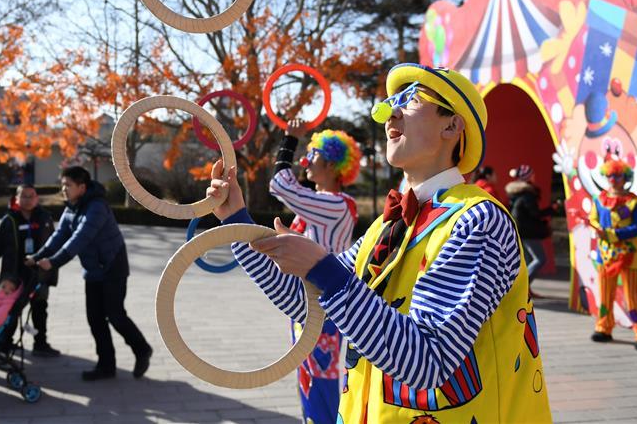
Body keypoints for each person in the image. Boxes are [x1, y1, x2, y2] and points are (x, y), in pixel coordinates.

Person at [206, 63, 551, 422]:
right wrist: (236, 221)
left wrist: (323, 268)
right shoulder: (387, 226)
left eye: (411, 100)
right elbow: (305, 304)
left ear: (451, 125)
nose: (391, 112)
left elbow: (428, 360)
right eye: (391, 101)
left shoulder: (478, 221)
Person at [270, 119, 361, 423]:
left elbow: (281, 185)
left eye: (315, 155)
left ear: (335, 166)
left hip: (323, 307)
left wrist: (289, 140)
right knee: (307, 378)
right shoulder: (323, 205)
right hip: (307, 305)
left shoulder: (335, 204)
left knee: (320, 381)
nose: (306, 161)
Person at [26, 166, 152, 381]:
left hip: (113, 266)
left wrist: (54, 262)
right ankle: (106, 366)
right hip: (93, 269)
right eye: (62, 184)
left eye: (68, 185)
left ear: (82, 187)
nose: (63, 189)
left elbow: (79, 239)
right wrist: (37, 256)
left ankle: (142, 350)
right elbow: (58, 237)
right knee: (94, 318)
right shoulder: (72, 208)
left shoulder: (97, 207)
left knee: (115, 314)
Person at [0, 184, 60, 357]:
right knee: (11, 310)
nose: (27, 199)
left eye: (31, 196)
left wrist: (52, 271)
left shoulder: (45, 218)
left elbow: (54, 245)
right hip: (14, 276)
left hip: (38, 275)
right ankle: (4, 342)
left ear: (37, 198)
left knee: (40, 309)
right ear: (16, 199)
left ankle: (41, 343)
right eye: (23, 196)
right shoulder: (9, 220)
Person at [589, 157, 637, 351]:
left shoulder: (633, 202)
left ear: (625, 177)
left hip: (629, 257)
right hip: (605, 256)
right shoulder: (599, 200)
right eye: (609, 175)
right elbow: (593, 219)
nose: (613, 179)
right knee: (605, 295)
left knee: (633, 297)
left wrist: (614, 234)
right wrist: (598, 228)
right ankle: (603, 327)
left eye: (617, 176)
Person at [506, 164, 551, 289]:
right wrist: (551, 210)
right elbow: (534, 214)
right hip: (528, 231)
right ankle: (522, 286)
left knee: (525, 261)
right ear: (529, 177)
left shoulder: (516, 193)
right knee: (540, 259)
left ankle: (526, 290)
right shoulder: (527, 194)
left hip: (519, 230)